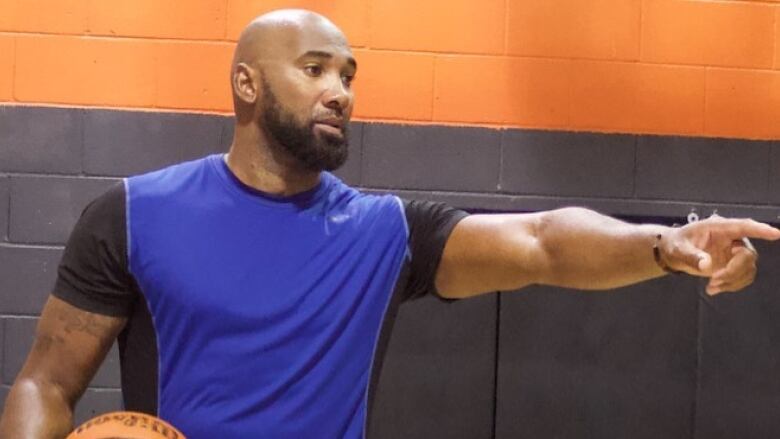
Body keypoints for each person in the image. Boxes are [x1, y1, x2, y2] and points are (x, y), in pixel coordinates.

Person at [1, 9, 778, 439]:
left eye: (348, 74)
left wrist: (662, 244)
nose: (339, 90)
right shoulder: (134, 214)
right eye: (313, 69)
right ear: (245, 83)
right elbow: (44, 380)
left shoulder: (385, 233)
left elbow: (541, 242)